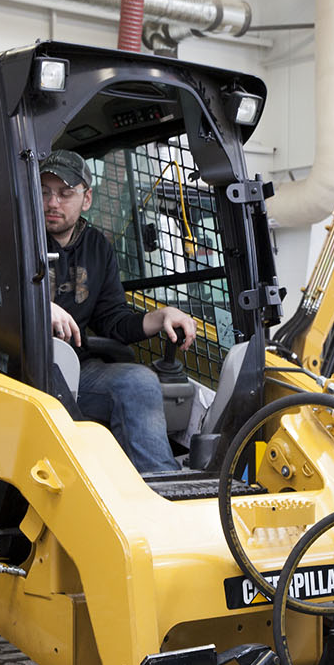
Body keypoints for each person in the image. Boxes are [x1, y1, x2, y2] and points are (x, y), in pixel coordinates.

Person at [40, 149, 196, 473]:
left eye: (65, 193)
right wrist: (37, 307)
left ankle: (162, 488)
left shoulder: (97, 247)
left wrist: (160, 316)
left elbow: (113, 320)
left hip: (77, 370)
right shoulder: (6, 239)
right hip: (13, 372)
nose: (53, 203)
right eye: (44, 192)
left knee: (137, 381)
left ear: (86, 198)